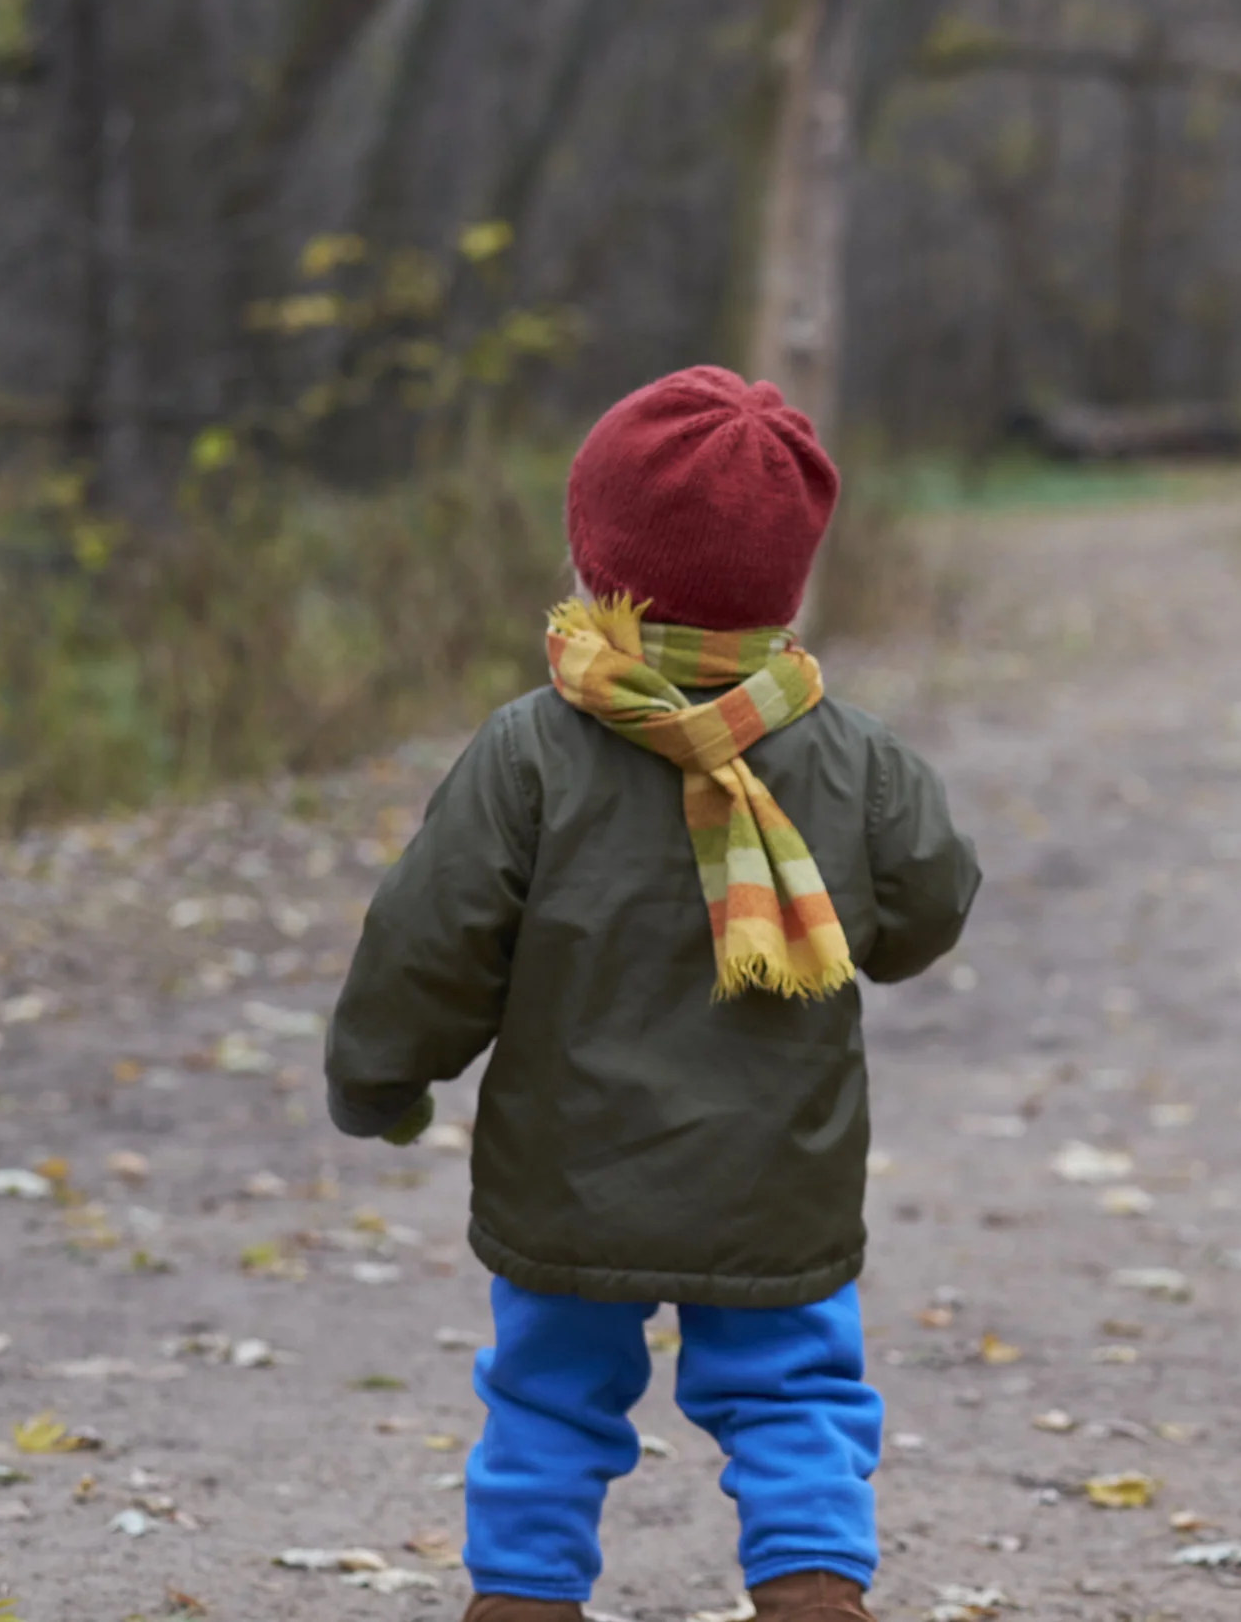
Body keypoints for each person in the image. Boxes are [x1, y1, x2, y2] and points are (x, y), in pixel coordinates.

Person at [324, 366, 983, 1622]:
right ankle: (811, 1600)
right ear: (787, 578)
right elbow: (925, 912)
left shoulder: (533, 746)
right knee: (795, 1401)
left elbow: (433, 936)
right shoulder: (851, 756)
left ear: (598, 558)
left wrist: (382, 1074)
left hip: (570, 1181)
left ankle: (518, 1604)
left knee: (544, 1401)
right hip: (778, 1180)